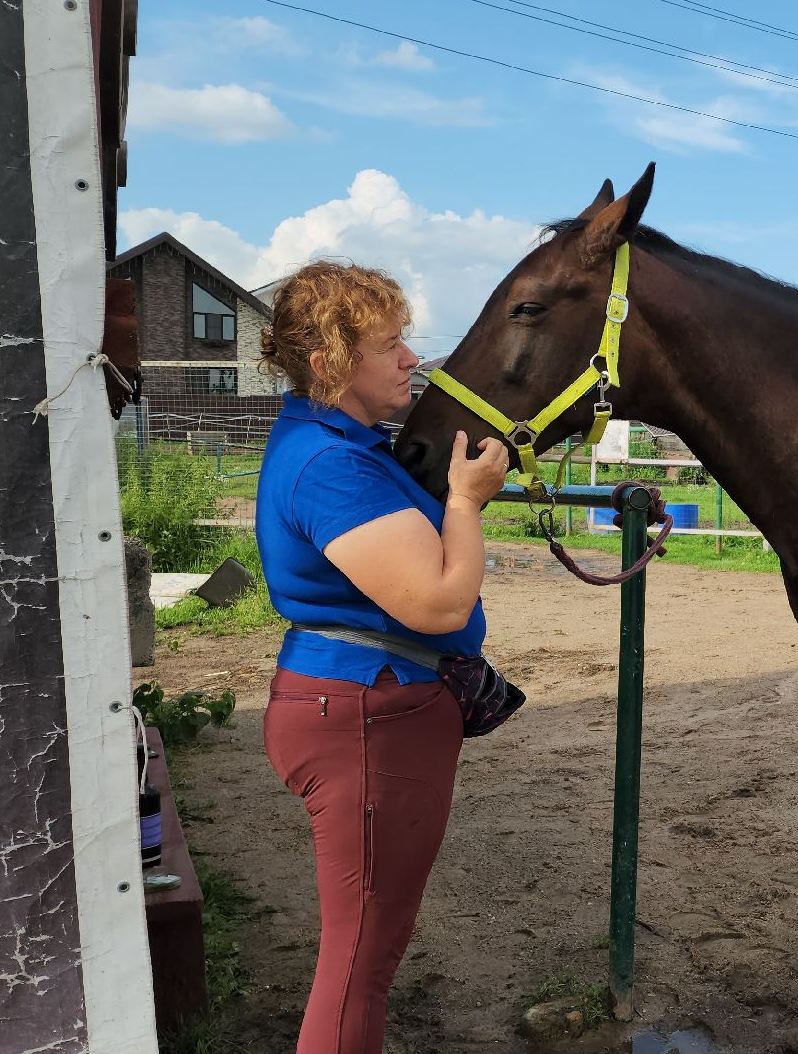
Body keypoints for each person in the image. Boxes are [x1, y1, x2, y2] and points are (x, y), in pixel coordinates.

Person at [253, 259, 509, 1053]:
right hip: (367, 716)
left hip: (364, 705)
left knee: (368, 947)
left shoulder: (347, 445)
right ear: (331, 363)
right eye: (389, 345)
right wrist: (466, 502)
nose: (410, 359)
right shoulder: (332, 465)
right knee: (360, 958)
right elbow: (438, 601)